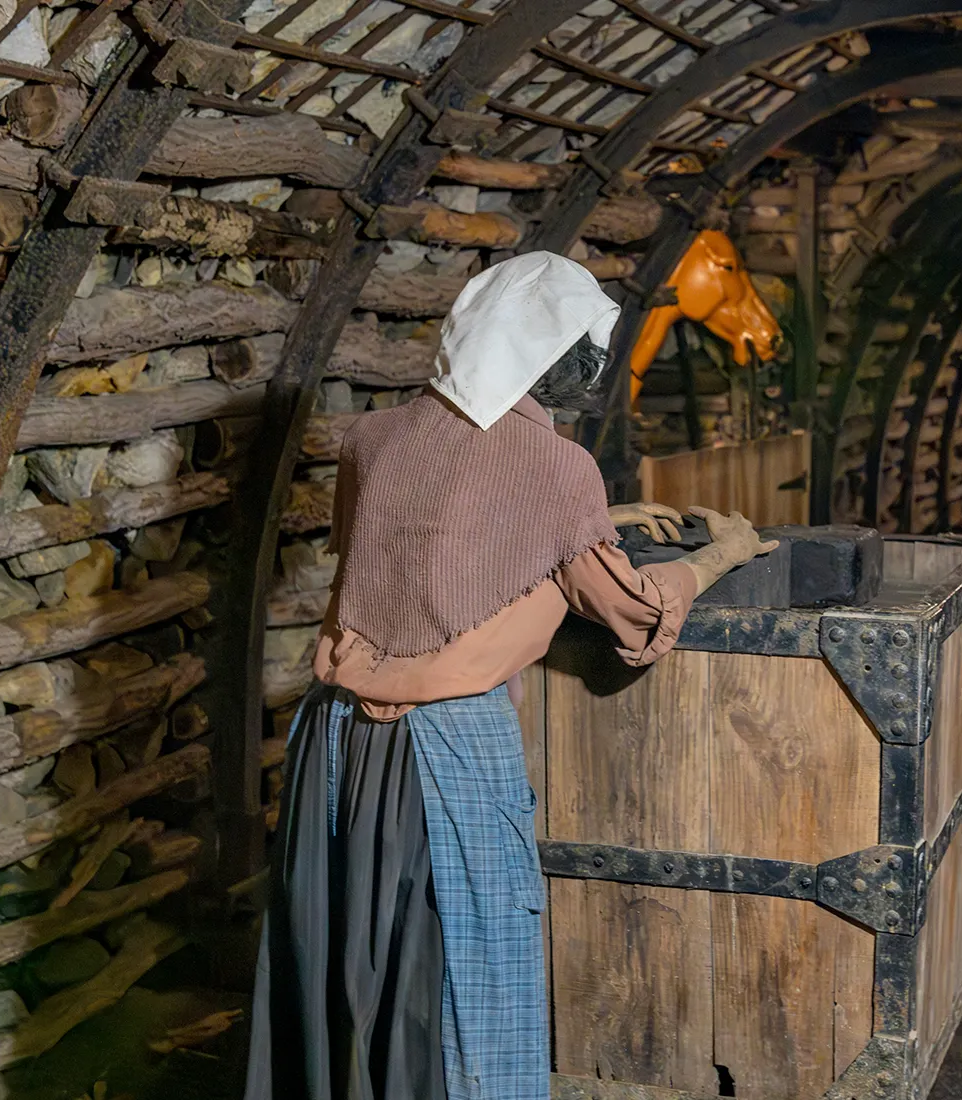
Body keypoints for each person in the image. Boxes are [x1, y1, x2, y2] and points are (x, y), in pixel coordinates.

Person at [244, 252, 777, 1100]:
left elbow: (418, 538)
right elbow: (633, 610)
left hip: (333, 746)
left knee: (345, 955)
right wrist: (721, 555)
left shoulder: (371, 438)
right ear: (551, 356)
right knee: (458, 973)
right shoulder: (559, 468)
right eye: (583, 356)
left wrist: (592, 527)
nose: (589, 375)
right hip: (445, 751)